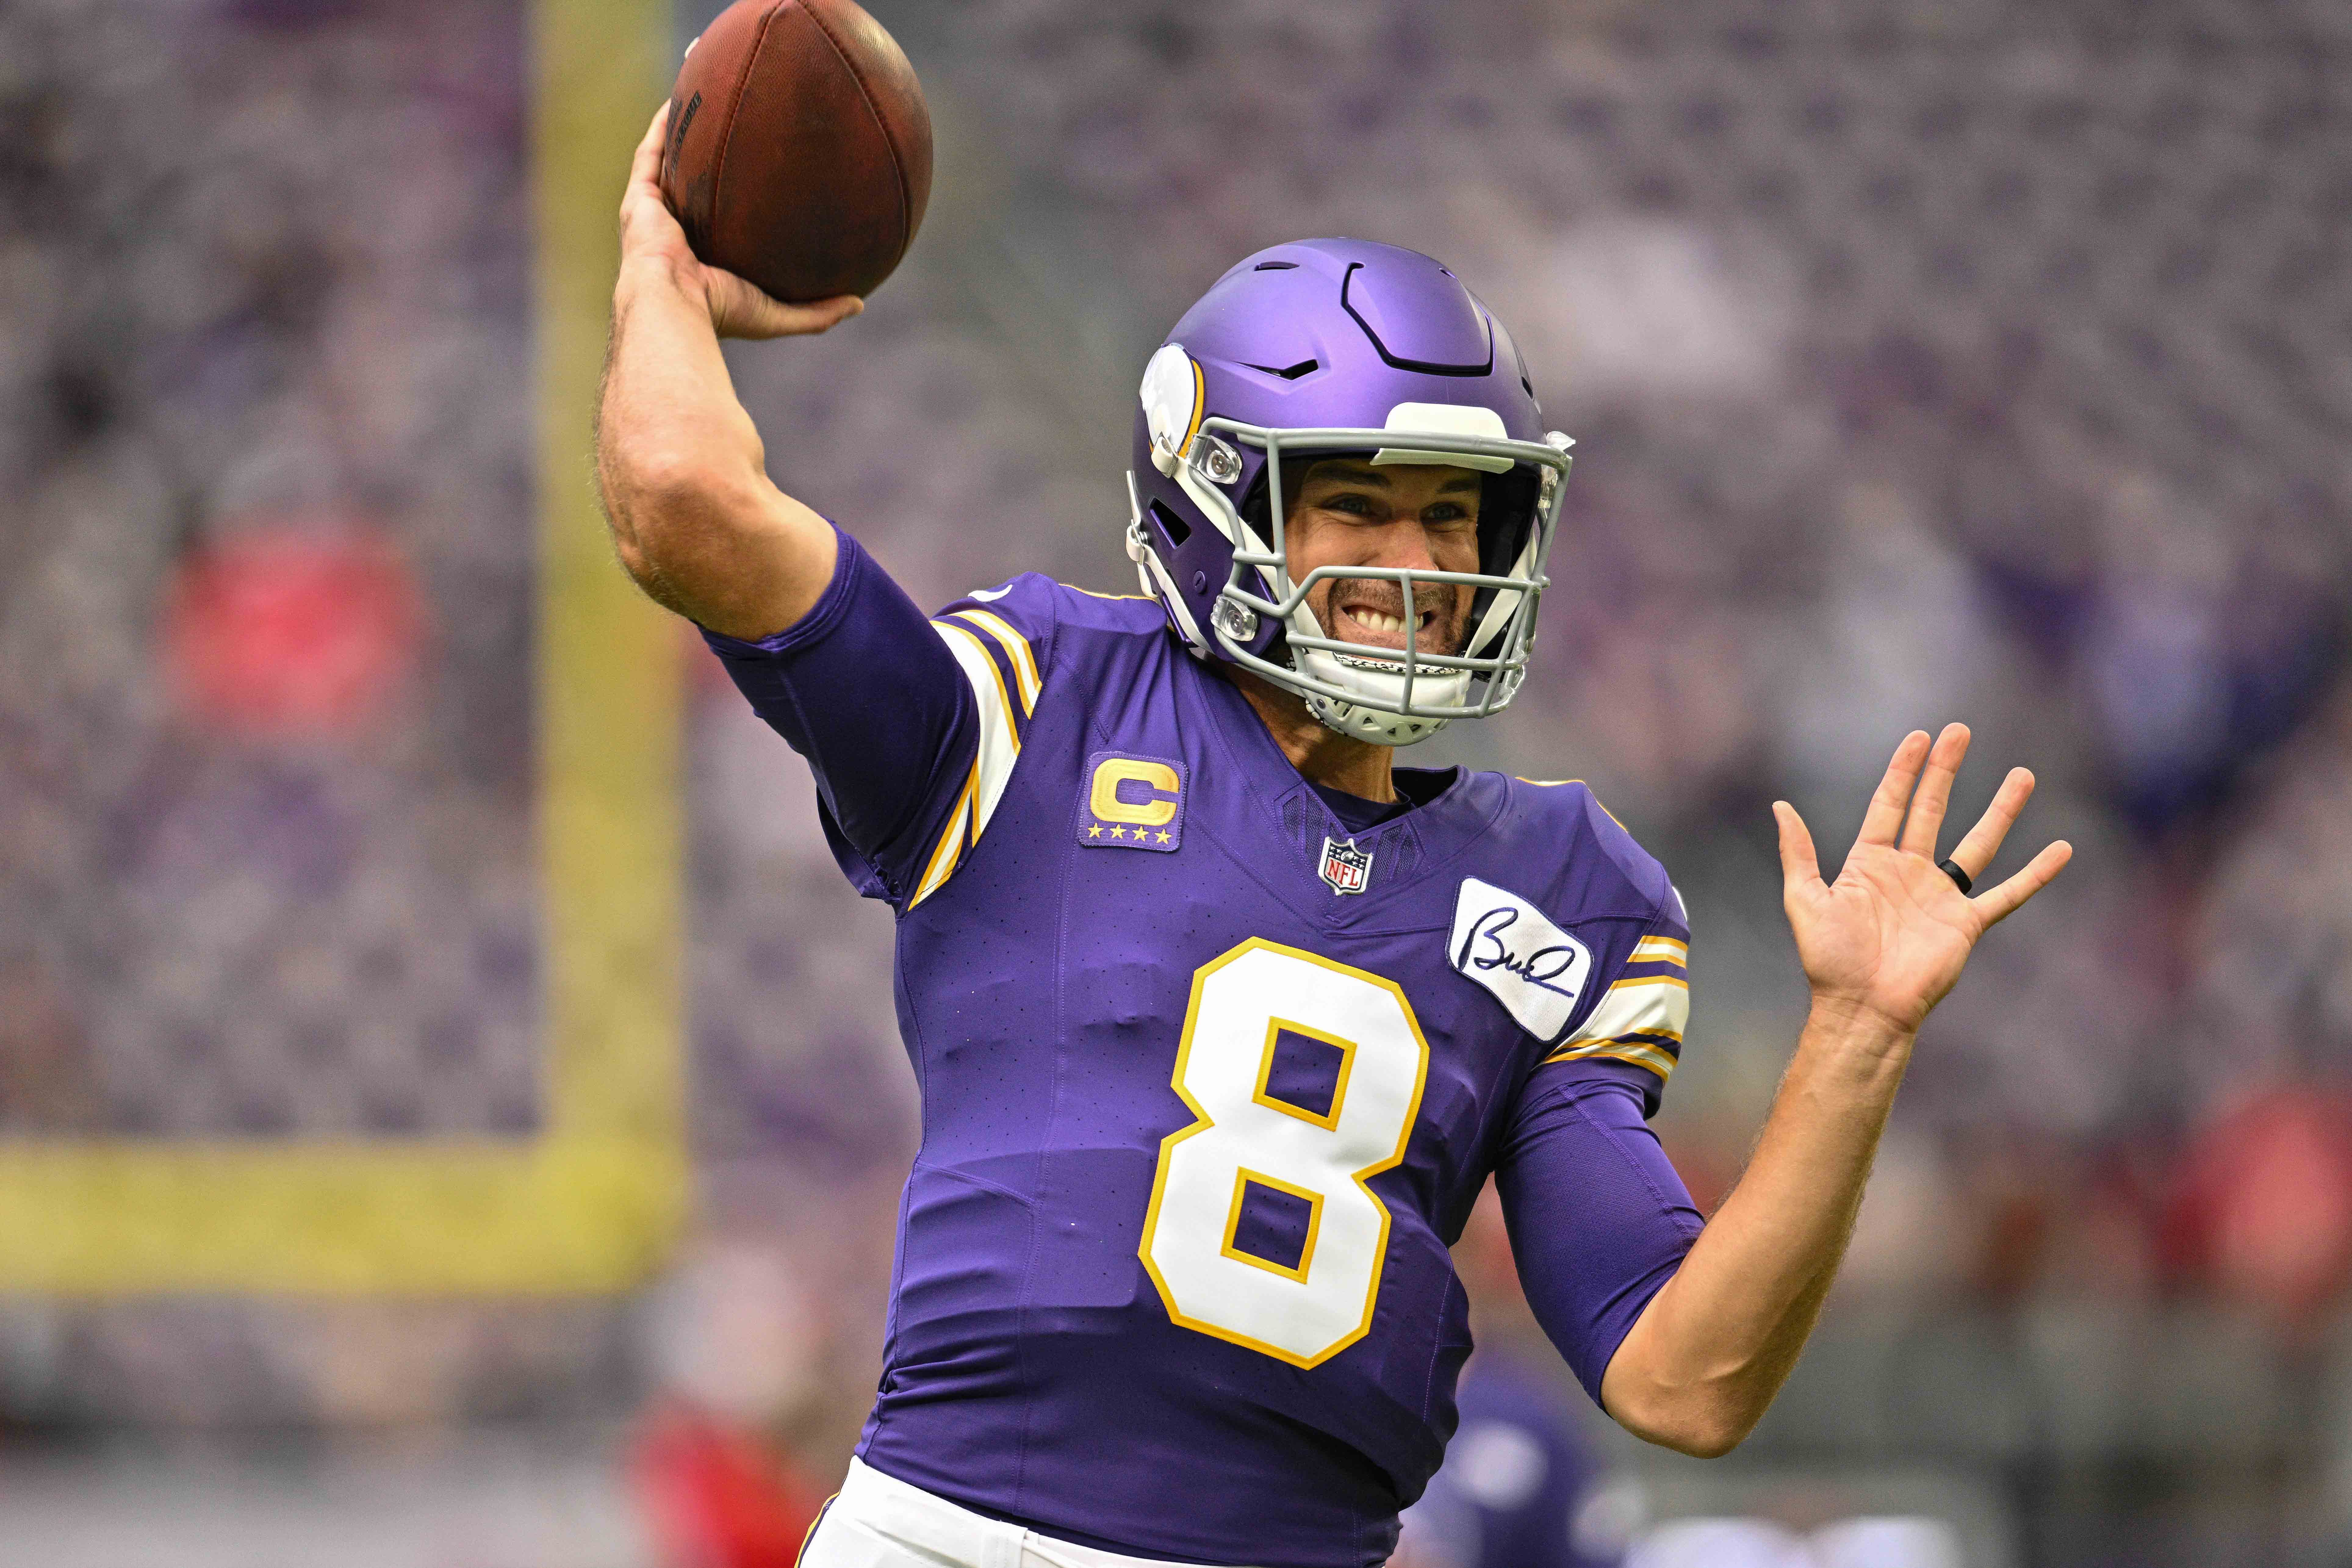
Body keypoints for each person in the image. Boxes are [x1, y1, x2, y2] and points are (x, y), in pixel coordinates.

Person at [597, 105, 2070, 1568]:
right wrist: (661, 271)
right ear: (1209, 499)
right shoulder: (1036, 700)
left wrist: (1856, 1036)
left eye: (1455, 518)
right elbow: (680, 499)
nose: (1417, 566)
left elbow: (1683, 1378)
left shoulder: (1567, 888)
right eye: (1354, 508)